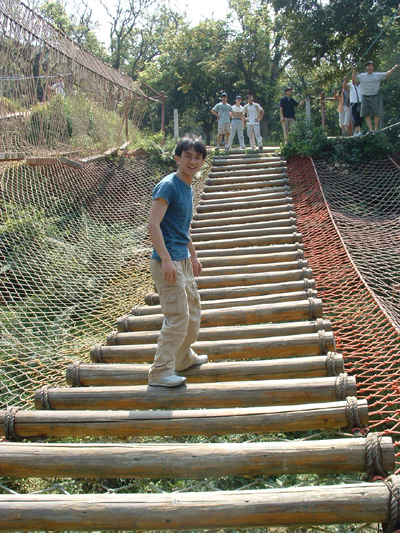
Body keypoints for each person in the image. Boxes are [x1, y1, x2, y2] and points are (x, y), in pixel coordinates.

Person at [147, 135, 208, 387]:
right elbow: (153, 224)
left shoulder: (188, 186)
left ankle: (182, 359)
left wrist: (193, 255)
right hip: (168, 262)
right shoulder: (168, 186)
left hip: (182, 260)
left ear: (202, 162)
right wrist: (166, 259)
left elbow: (183, 228)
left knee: (193, 314)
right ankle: (160, 372)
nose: (192, 161)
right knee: (178, 317)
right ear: (177, 158)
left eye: (197, 157)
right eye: (188, 156)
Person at [352, 61, 399, 132]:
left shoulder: (377, 75)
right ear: (366, 67)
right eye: (368, 66)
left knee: (376, 113)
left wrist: (394, 68)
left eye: (371, 66)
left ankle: (376, 129)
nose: (370, 68)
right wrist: (354, 71)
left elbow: (387, 74)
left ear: (373, 67)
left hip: (374, 96)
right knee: (366, 114)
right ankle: (371, 129)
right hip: (365, 97)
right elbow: (354, 79)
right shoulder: (362, 76)